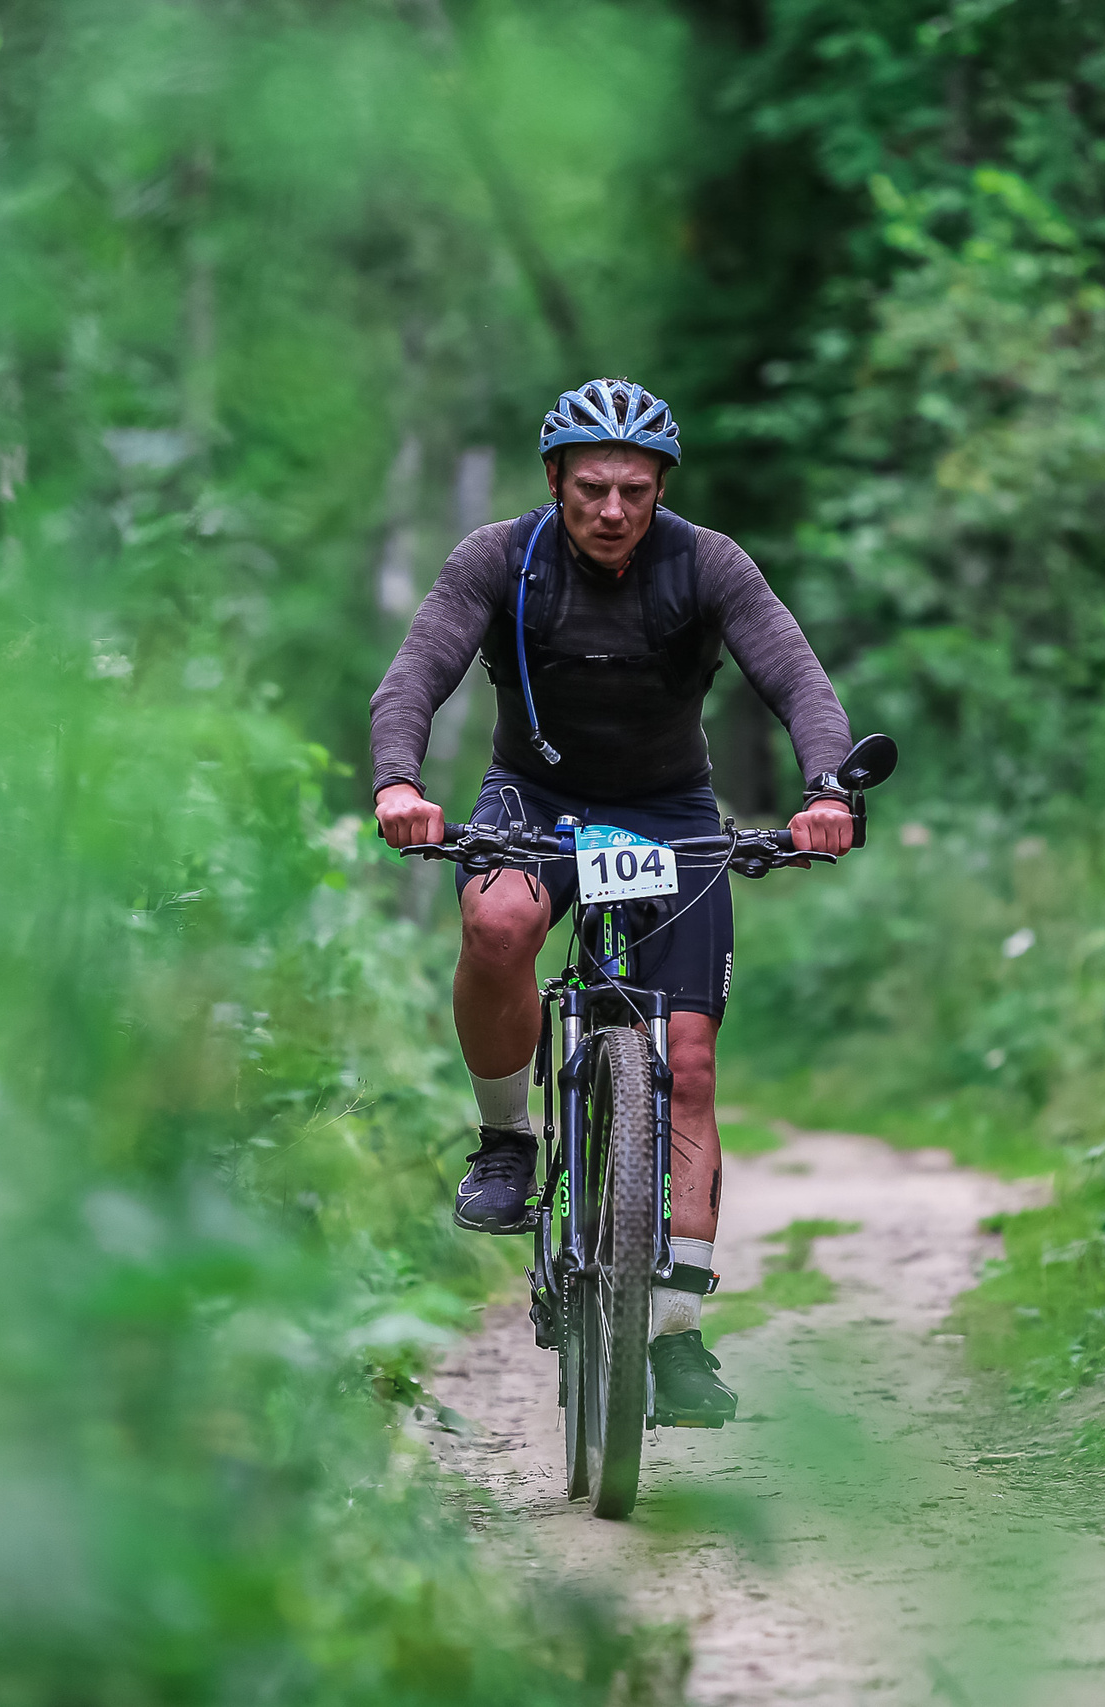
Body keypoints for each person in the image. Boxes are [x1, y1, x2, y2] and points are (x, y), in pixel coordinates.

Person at [367, 378, 856, 1428]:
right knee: (496, 923)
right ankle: (506, 1141)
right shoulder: (497, 560)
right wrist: (398, 782)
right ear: (554, 480)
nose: (612, 510)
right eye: (591, 487)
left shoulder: (707, 563)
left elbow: (797, 677)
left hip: (668, 812)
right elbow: (415, 673)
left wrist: (826, 790)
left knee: (686, 1064)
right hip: (531, 801)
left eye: (635, 490)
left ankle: (675, 1333)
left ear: (661, 488)